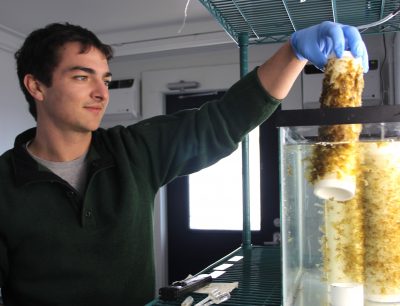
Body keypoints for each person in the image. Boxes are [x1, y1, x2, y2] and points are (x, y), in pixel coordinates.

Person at [0, 21, 368, 305]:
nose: (101, 93)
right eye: (82, 76)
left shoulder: (132, 151)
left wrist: (293, 52)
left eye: (105, 80)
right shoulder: (3, 184)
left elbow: (225, 118)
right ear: (37, 87)